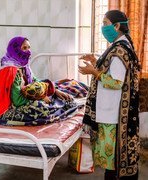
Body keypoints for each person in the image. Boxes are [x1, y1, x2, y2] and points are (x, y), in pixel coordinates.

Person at [78, 10, 140, 180]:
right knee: (111, 162)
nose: (103, 27)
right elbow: (111, 68)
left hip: (112, 114)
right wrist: (94, 61)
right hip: (111, 111)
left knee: (112, 162)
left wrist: (94, 72)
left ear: (117, 26)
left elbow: (116, 82)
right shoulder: (122, 45)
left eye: (105, 24)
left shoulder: (120, 50)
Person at [0, 36, 81, 126]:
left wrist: (54, 91)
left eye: (29, 48)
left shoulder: (24, 67)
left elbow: (35, 81)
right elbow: (17, 101)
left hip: (22, 101)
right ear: (15, 49)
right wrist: (41, 98)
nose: (29, 51)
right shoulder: (11, 71)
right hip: (9, 107)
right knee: (43, 111)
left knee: (59, 97)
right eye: (24, 48)